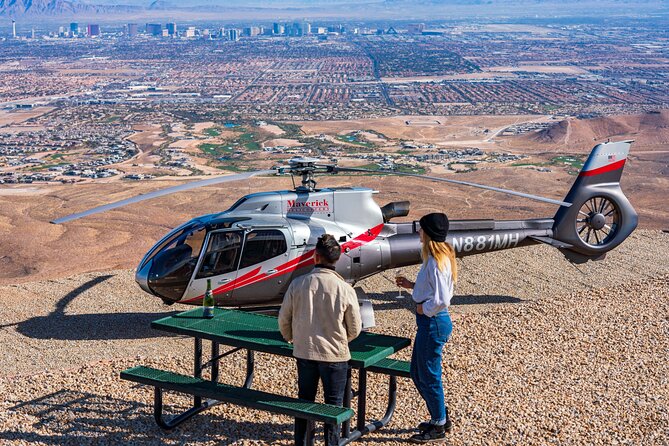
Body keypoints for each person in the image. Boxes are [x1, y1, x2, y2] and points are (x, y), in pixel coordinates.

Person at [279, 234, 362, 446]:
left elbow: (283, 320)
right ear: (337, 258)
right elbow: (355, 328)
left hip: (304, 351)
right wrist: (342, 340)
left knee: (304, 401)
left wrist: (292, 338)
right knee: (333, 406)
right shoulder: (345, 289)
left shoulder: (298, 284)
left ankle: (302, 442)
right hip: (334, 355)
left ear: (316, 257)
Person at [396, 213, 457, 444]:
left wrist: (423, 309)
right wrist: (412, 286)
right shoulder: (437, 257)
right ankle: (439, 413)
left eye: (421, 229)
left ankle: (439, 424)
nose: (419, 233)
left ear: (428, 233)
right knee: (417, 372)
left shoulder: (436, 261)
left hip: (433, 322)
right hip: (431, 322)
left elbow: (442, 299)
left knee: (429, 376)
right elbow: (434, 289)